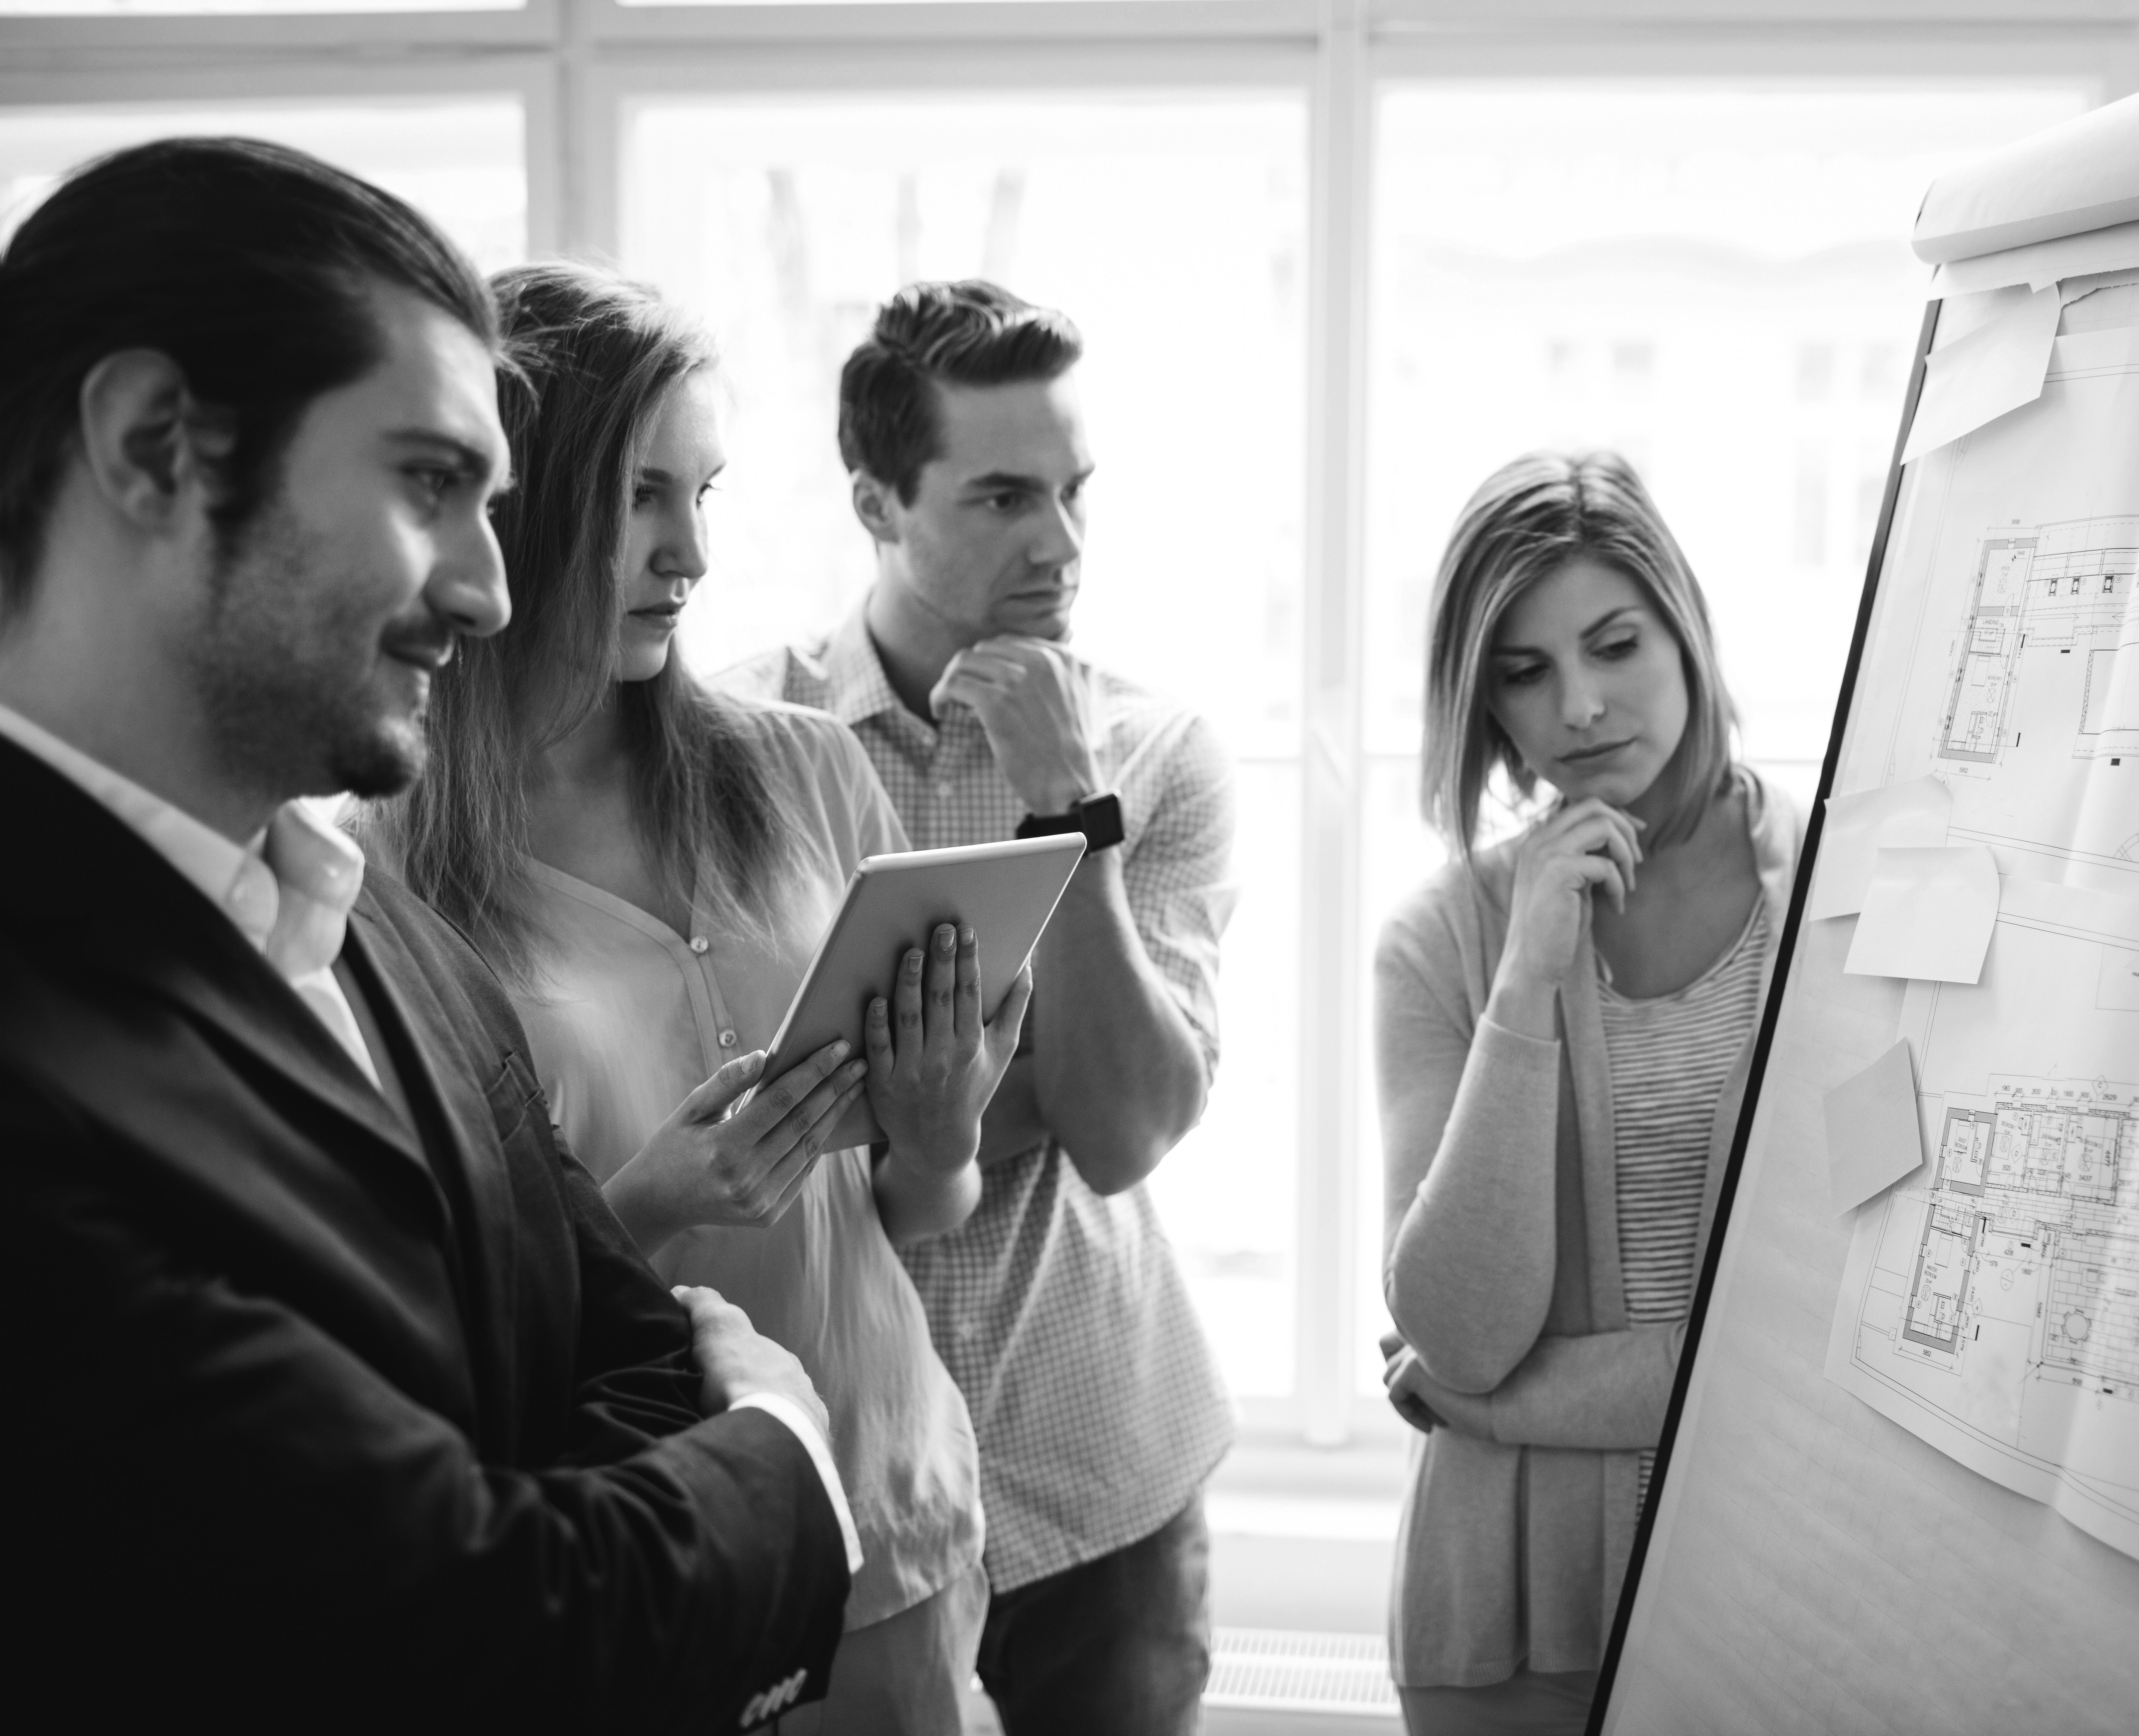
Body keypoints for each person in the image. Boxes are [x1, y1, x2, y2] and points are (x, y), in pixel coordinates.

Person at [0, 138, 856, 1733]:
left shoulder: (374, 913)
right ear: (151, 446)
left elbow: (615, 1341)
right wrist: (782, 1453)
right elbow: (482, 1630)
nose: (491, 592)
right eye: (425, 485)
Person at [369, 260, 1017, 1735]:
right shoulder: (386, 869)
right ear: (514, 504)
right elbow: (428, 1311)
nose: (692, 554)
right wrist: (642, 1208)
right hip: (630, 1559)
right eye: (641, 497)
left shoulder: (809, 773)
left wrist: (937, 1129)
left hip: (889, 1517)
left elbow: (912, 1213)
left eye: (705, 492)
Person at [721, 279, 1236, 1736]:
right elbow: (746, 1104)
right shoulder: (743, 749)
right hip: (841, 1478)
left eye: (1075, 492)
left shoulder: (1155, 752)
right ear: (876, 503)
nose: (1060, 543)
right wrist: (991, 1093)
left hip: (1098, 1477)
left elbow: (1123, 1128)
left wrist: (1075, 813)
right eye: (1005, 497)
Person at [1375, 451, 1800, 1734]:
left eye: (1615, 645)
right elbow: (1461, 1328)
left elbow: (1813, 1356)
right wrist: (1524, 980)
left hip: (1781, 1597)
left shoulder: (1842, 897)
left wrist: (1494, 1407)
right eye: (1525, 672)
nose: (1579, 706)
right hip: (1509, 1625)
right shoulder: (1438, 942)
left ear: (1685, 627)